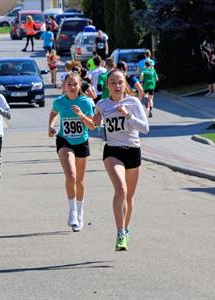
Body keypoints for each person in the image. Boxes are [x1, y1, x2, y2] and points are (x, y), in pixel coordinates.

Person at [93, 70, 149, 251]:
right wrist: (95, 120)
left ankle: (125, 229)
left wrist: (127, 115)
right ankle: (119, 234)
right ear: (107, 86)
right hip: (112, 151)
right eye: (112, 82)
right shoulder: (102, 104)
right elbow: (95, 124)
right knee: (121, 189)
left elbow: (145, 128)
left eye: (120, 82)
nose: (117, 86)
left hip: (133, 151)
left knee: (130, 197)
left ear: (125, 84)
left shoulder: (133, 103)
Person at [48, 72, 95, 232]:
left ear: (80, 85)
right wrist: (51, 125)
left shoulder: (86, 102)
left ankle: (80, 213)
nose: (72, 87)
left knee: (80, 181)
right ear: (64, 86)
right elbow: (53, 113)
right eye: (69, 84)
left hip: (82, 142)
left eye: (75, 84)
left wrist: (81, 115)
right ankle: (72, 211)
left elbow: (92, 126)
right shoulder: (59, 102)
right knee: (71, 176)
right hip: (64, 141)